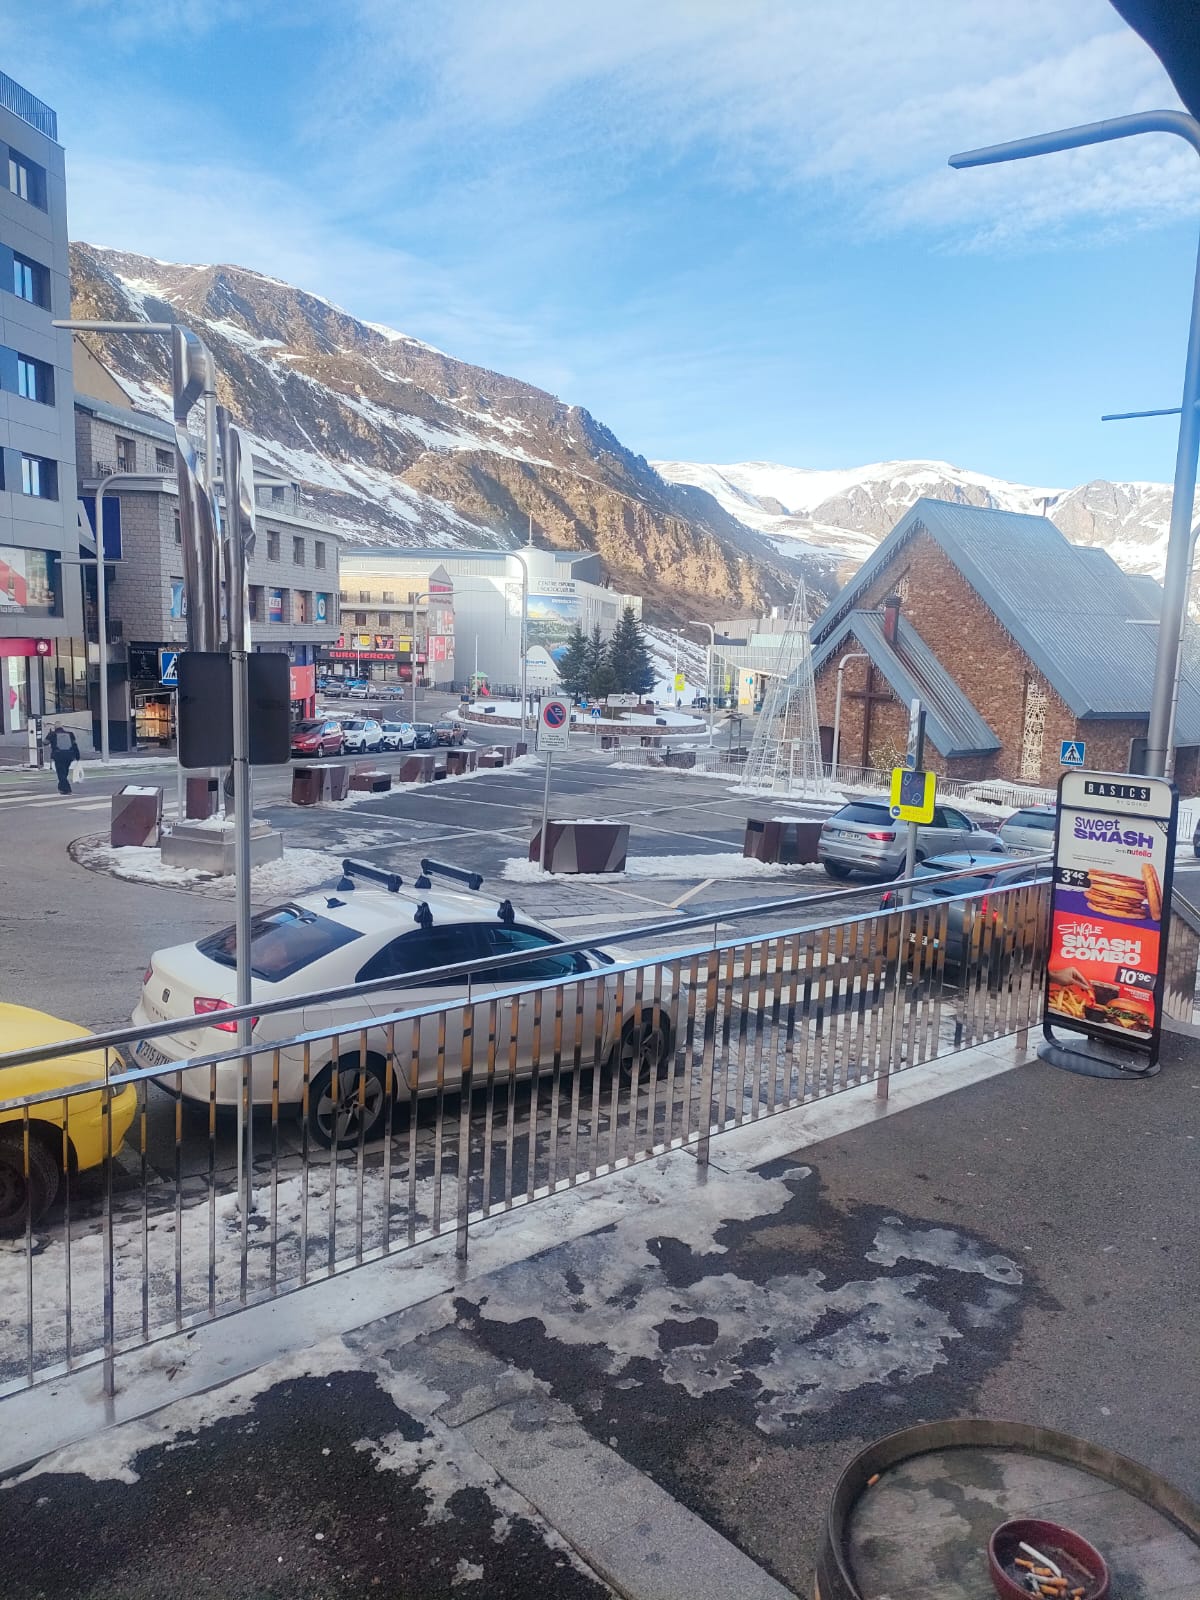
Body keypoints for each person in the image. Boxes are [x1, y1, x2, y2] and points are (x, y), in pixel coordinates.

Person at [45, 723, 80, 795]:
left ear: (55, 728)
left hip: (58, 756)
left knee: (61, 773)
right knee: (64, 772)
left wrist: (49, 735)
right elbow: (74, 745)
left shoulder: (52, 734)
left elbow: (45, 742)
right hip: (69, 756)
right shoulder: (70, 734)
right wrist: (77, 756)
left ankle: (67, 789)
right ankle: (61, 788)